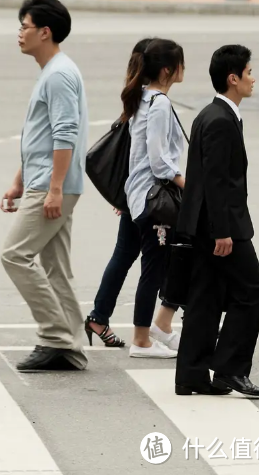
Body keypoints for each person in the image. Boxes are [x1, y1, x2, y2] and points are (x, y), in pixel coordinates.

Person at [0, 0, 90, 372]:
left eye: (25, 27)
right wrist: (20, 181)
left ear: (45, 32)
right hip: (45, 181)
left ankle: (55, 337)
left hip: (53, 186)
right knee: (54, 267)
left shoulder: (59, 75)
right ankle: (70, 343)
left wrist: (53, 188)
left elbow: (65, 133)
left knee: (14, 255)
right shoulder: (54, 70)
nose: (19, 33)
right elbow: (42, 136)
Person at [175, 45, 259, 398]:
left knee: (206, 297)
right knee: (252, 292)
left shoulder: (213, 115)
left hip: (205, 224)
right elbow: (215, 181)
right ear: (233, 79)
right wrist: (223, 232)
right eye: (248, 73)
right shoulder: (219, 120)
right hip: (221, 226)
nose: (252, 78)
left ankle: (191, 375)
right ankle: (230, 369)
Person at [86, 38, 186, 358]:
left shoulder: (142, 99)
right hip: (151, 198)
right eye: (182, 64)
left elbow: (136, 155)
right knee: (154, 268)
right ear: (169, 70)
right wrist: (187, 183)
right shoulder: (158, 105)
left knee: (126, 255)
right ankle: (143, 338)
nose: (186, 69)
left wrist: (128, 193)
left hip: (137, 195)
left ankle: (102, 318)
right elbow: (159, 162)